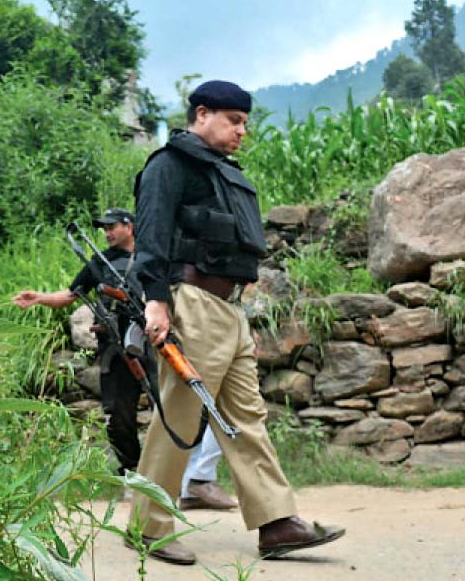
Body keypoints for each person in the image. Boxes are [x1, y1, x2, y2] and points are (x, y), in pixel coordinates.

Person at [128, 80, 345, 565]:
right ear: (202, 114)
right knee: (180, 416)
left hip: (229, 309)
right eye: (234, 120)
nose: (241, 130)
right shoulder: (169, 166)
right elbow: (152, 238)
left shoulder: (223, 173)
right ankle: (148, 525)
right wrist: (156, 303)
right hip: (191, 302)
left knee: (247, 417)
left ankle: (276, 524)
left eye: (245, 122)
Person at [12, 208, 234, 506]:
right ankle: (135, 475)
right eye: (104, 228)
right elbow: (69, 295)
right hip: (115, 346)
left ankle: (190, 479)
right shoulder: (99, 262)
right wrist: (38, 298)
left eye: (112, 226)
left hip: (155, 340)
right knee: (118, 415)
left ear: (130, 226)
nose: (107, 232)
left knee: (176, 407)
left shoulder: (154, 256)